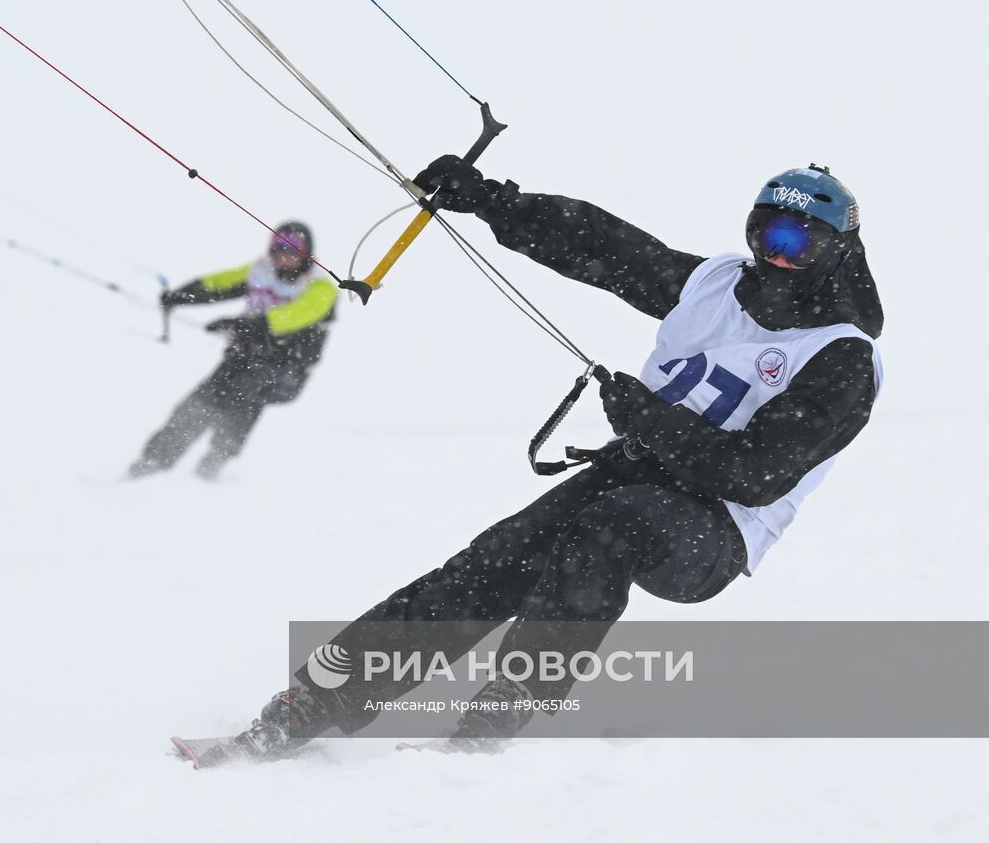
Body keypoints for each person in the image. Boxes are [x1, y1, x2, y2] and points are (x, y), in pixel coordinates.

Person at [208, 162, 884, 760]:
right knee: (493, 562)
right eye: (768, 234)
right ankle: (316, 701)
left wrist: (651, 420)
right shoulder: (713, 285)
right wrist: (494, 202)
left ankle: (497, 714)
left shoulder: (842, 356)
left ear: (837, 253)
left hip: (715, 530)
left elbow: (753, 474)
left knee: (611, 524)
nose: (779, 257)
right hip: (638, 473)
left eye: (800, 243)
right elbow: (600, 244)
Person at [129, 221, 337, 481]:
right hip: (246, 356)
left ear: (306, 255)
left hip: (286, 370)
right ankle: (152, 462)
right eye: (279, 251)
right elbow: (220, 283)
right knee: (200, 401)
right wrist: (181, 295)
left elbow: (294, 316)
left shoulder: (321, 288)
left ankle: (212, 467)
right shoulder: (261, 272)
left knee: (240, 396)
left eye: (293, 252)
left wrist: (248, 325)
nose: (285, 257)